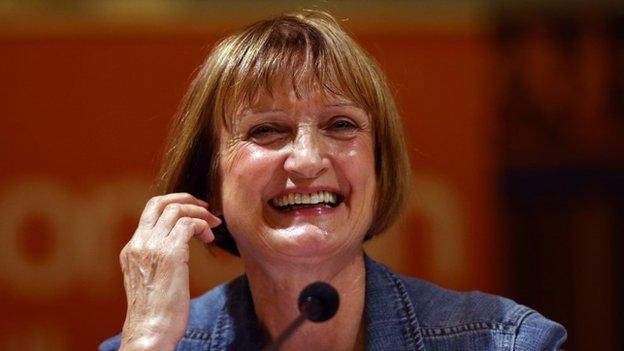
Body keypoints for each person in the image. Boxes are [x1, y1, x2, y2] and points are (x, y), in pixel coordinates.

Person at [99, 10, 566, 351]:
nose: (306, 160)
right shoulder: (157, 344)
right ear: (209, 181)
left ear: (378, 167)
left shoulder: (508, 342)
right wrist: (149, 341)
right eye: (266, 129)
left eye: (341, 125)